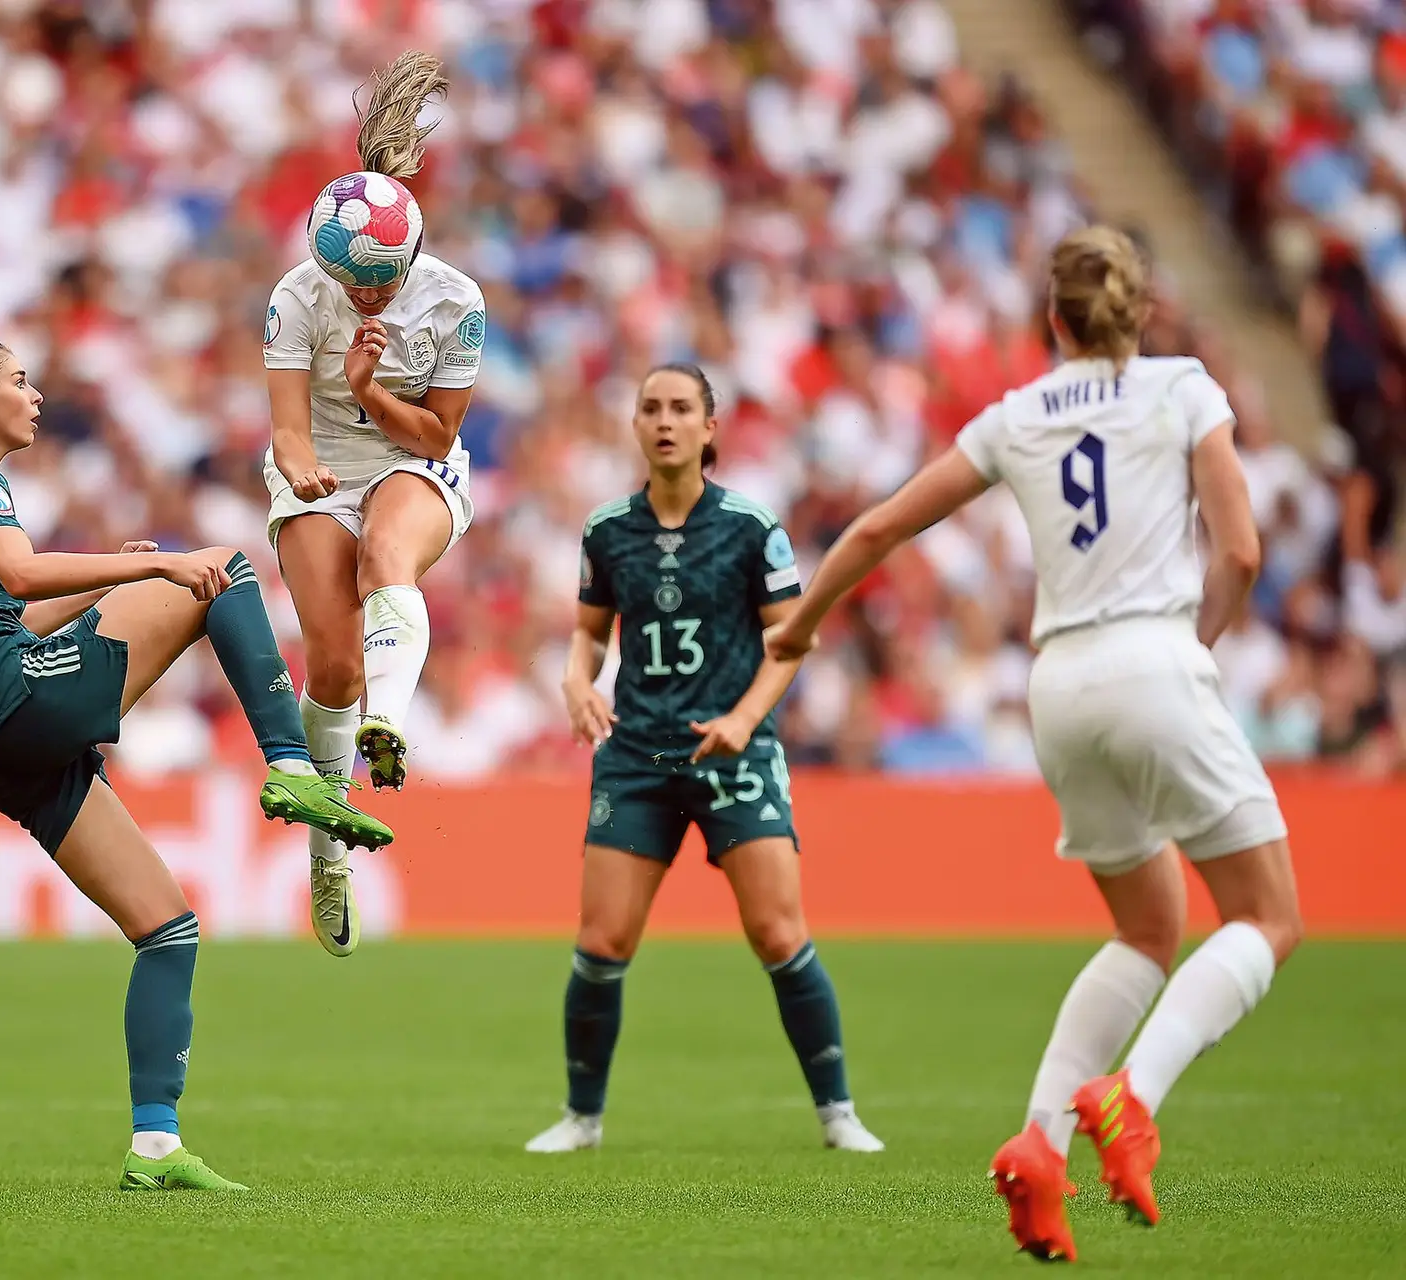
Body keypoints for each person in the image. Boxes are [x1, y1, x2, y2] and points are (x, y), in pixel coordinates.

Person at [765, 227, 1305, 1261]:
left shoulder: (1016, 415)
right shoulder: (1184, 387)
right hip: (1154, 660)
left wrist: (803, 618)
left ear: (1049, 321)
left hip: (1057, 687)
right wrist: (1197, 646)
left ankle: (1041, 1143)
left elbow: (878, 528)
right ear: (1138, 313)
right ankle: (1131, 1095)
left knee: (1148, 928)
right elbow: (1240, 547)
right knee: (1268, 915)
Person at [0, 337, 395, 1193]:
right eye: (18, 380)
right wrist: (152, 562)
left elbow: (9, 611)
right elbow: (20, 571)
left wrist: (109, 585)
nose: (34, 395)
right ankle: (294, 763)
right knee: (222, 570)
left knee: (167, 927)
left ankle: (154, 1146)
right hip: (12, 702)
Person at [522, 364, 885, 1157]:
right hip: (638, 755)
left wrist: (746, 716)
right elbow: (588, 630)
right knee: (602, 940)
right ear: (635, 424)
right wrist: (576, 681)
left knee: (777, 932)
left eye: (681, 408)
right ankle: (582, 1118)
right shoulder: (607, 530)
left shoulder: (753, 527)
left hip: (736, 753)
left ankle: (837, 1112)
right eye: (650, 407)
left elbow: (793, 639)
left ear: (710, 428)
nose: (664, 421)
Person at [263, 51, 486, 957]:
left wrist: (369, 388)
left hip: (410, 460)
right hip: (320, 469)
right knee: (330, 666)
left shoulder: (456, 302)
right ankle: (330, 848)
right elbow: (285, 430)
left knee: (386, 559)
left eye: (378, 283)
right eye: (350, 283)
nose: (364, 295)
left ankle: (390, 721)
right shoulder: (295, 295)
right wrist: (306, 470)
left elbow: (434, 437)